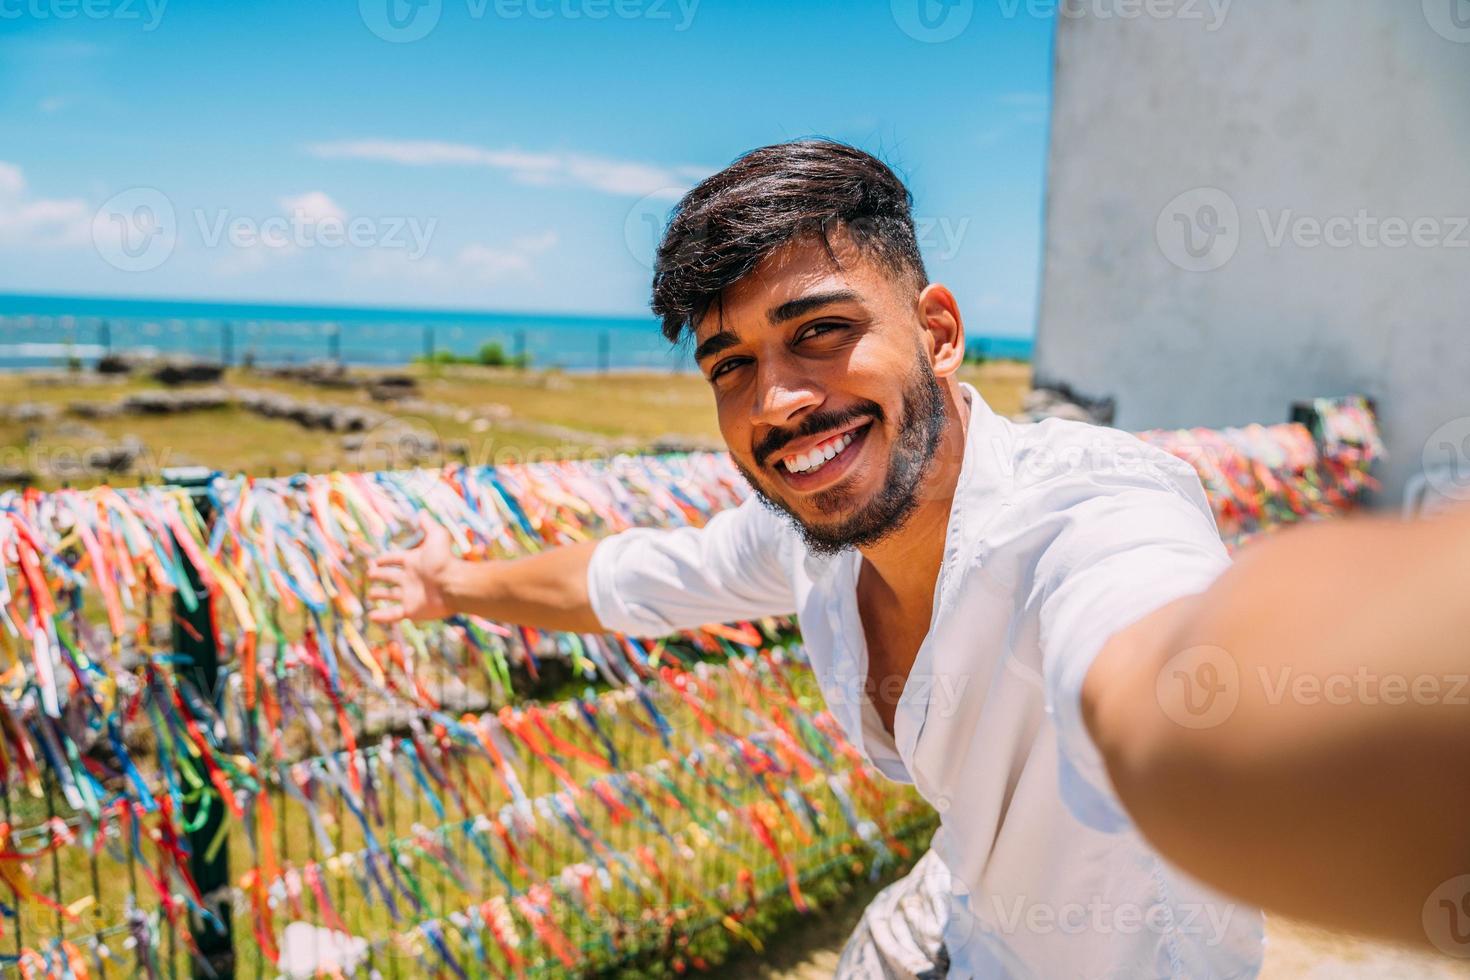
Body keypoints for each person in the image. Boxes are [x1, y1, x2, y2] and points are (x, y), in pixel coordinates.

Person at [367, 139, 1470, 978]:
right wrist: (444, 583)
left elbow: (1163, 669)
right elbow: (633, 579)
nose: (780, 403)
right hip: (957, 916)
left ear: (937, 330)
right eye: (730, 365)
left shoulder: (1088, 510)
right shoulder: (816, 533)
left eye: (819, 331)